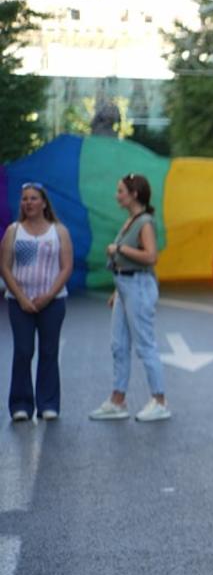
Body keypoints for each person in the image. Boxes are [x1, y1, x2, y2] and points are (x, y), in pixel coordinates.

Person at [88, 173, 171, 422]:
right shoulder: (131, 220)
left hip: (139, 285)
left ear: (134, 194)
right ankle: (118, 400)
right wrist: (117, 290)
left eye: (121, 191)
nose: (117, 195)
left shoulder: (144, 221)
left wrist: (119, 248)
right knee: (118, 345)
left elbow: (151, 257)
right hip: (124, 285)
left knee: (145, 345)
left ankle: (160, 400)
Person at [1, 182, 73, 421]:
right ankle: (20, 404)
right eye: (24, 199)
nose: (28, 203)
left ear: (43, 203)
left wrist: (48, 296)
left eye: (33, 199)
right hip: (19, 303)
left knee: (49, 351)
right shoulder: (13, 231)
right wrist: (21, 297)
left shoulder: (58, 231)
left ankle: (48, 404)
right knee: (23, 350)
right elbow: (5, 266)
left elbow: (66, 267)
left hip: (52, 302)